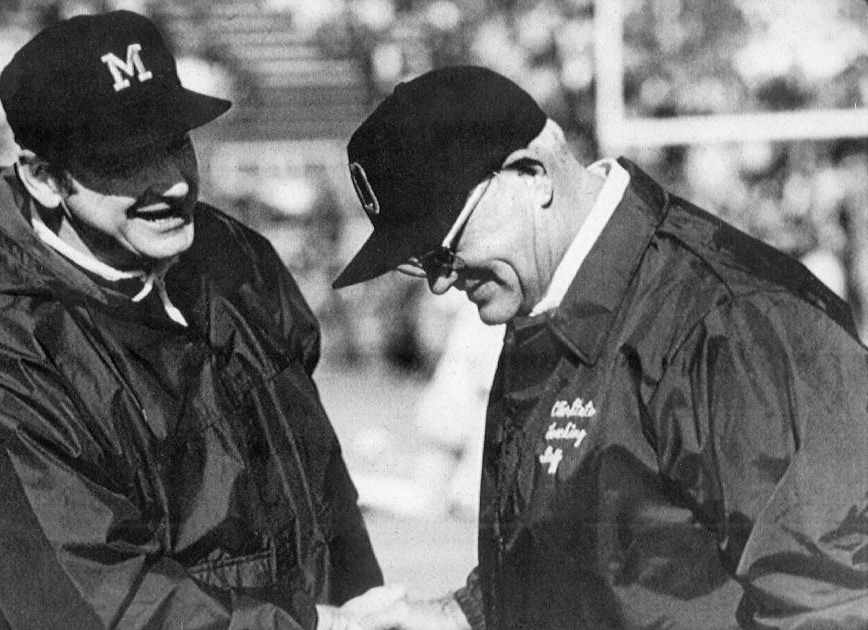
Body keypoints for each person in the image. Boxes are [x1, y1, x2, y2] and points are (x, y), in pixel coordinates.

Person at [331, 66, 868, 629]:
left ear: (531, 174)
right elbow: (602, 560)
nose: (441, 281)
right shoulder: (546, 302)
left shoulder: (733, 323)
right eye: (422, 263)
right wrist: (455, 616)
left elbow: (837, 601)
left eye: (445, 246)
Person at [0, 11, 385, 629]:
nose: (170, 182)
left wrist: (363, 609)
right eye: (124, 158)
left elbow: (327, 495)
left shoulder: (235, 262)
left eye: (173, 142)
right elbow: (94, 607)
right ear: (44, 179)